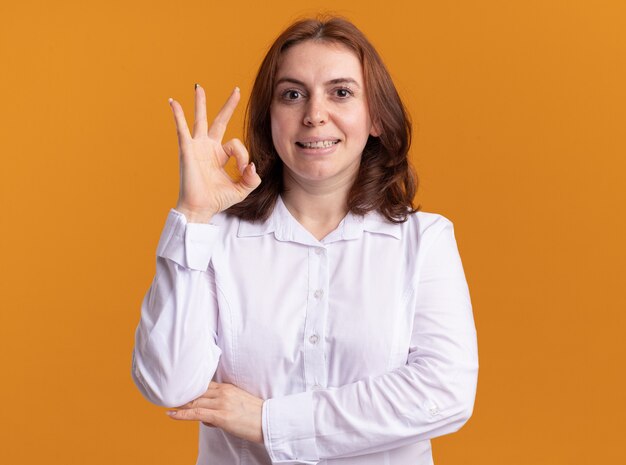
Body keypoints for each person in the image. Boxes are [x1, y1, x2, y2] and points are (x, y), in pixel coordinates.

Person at [131, 16, 478, 465]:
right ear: (269, 119)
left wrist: (270, 422)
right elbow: (169, 383)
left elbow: (444, 392)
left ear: (375, 116)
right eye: (292, 95)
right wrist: (194, 216)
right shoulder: (213, 238)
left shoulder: (424, 240)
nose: (314, 114)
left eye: (341, 92)